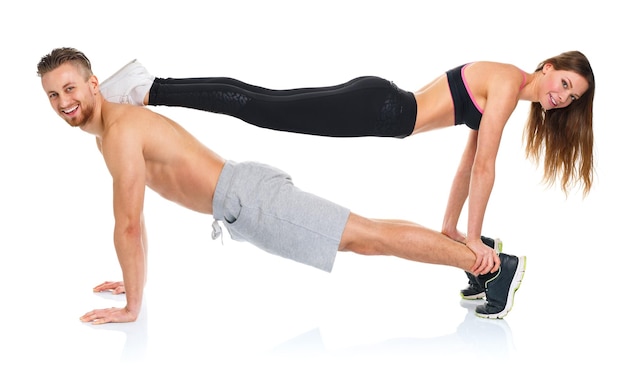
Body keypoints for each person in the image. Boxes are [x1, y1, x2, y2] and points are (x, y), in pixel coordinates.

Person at [38, 47, 526, 324]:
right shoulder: (112, 133)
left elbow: (126, 225)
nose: (64, 101)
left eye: (71, 88)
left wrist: (132, 306)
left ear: (94, 84)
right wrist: (134, 284)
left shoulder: (120, 132)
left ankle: (490, 264)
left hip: (252, 201)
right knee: (366, 231)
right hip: (243, 197)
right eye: (54, 94)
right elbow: (135, 219)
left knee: (367, 237)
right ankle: (480, 261)